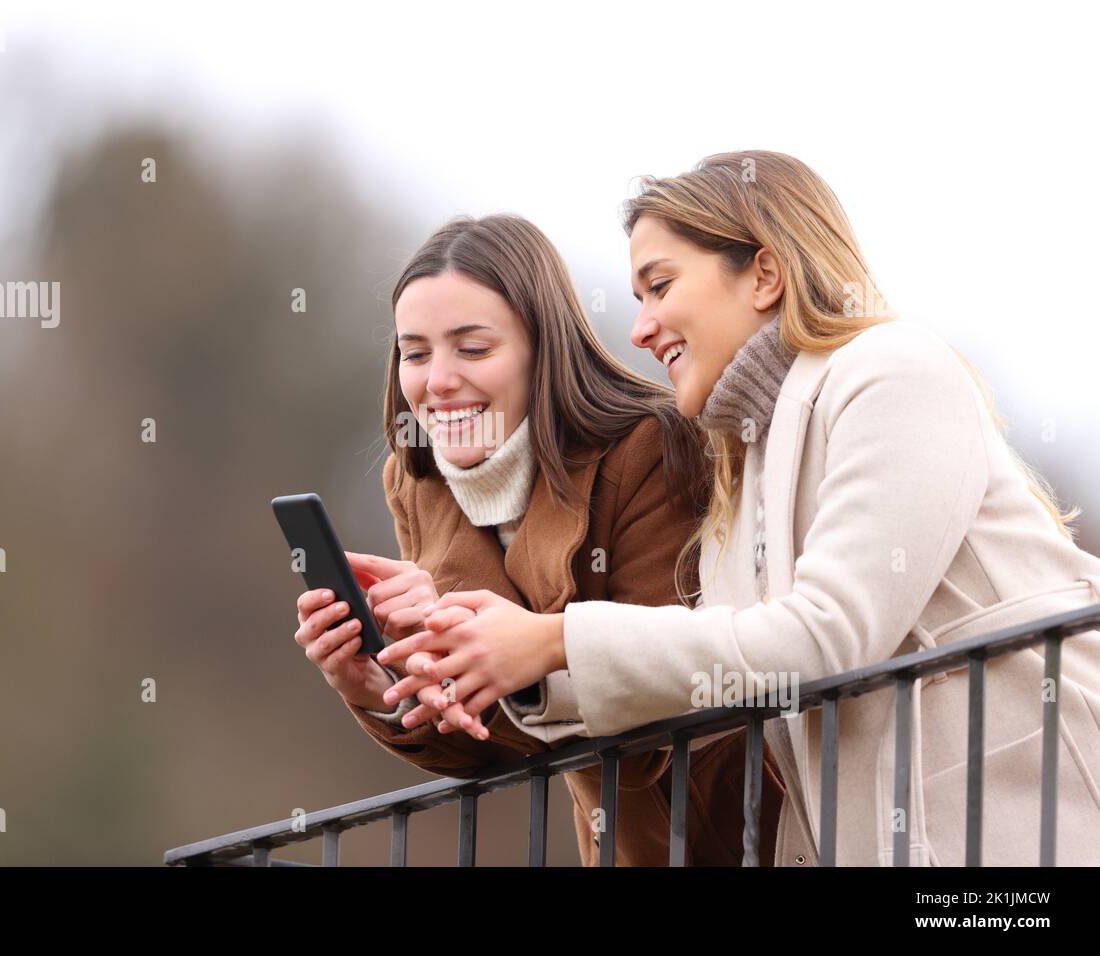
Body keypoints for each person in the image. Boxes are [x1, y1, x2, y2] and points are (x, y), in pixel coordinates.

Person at [380, 152, 1100, 866]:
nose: (640, 328)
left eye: (659, 286)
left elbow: (824, 638)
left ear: (763, 274)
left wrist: (552, 639)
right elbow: (712, 686)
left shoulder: (891, 370)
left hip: (1025, 832)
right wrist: (461, 662)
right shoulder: (740, 468)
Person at [292, 213, 785, 865]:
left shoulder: (651, 447)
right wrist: (383, 685)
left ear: (542, 348)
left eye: (472, 349)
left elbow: (662, 689)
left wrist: (504, 650)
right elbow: (491, 744)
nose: (437, 381)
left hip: (744, 834)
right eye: (415, 352)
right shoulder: (416, 482)